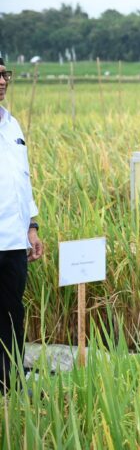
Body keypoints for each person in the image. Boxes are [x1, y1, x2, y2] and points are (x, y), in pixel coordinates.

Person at [0, 57, 44, 394]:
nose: (2, 81)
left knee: (13, 311)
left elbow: (23, 181)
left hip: (14, 241)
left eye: (4, 74)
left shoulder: (12, 124)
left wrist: (32, 227)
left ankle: (12, 379)